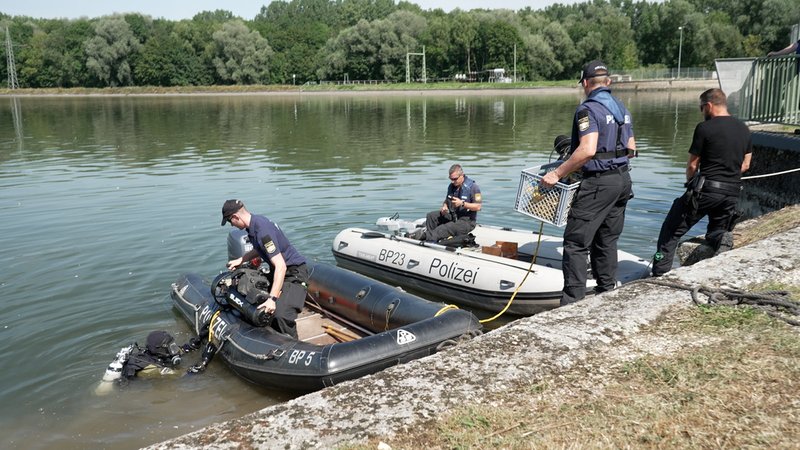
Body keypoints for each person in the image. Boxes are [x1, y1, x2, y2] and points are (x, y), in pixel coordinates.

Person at [541, 60, 636, 306]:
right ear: (609, 82)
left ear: (585, 83)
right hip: (623, 181)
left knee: (575, 243)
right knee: (607, 240)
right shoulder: (621, 108)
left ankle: (571, 305)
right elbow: (632, 149)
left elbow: (587, 150)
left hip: (599, 185)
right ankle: (607, 295)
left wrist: (557, 174)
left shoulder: (588, 109)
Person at [652, 89, 752, 277]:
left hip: (705, 191)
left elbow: (692, 165)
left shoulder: (705, 128)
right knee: (716, 231)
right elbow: (745, 165)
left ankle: (659, 273)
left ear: (709, 106)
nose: (701, 112)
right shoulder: (743, 128)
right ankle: (722, 238)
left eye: (701, 108)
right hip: (731, 192)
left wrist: (691, 183)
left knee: (670, 231)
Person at [221, 199, 308, 339]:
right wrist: (241, 259)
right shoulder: (254, 225)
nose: (232, 225)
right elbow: (259, 248)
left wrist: (272, 299)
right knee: (252, 296)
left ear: (236, 217)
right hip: (279, 272)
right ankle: (271, 337)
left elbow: (281, 266)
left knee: (281, 315)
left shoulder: (262, 230)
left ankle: (294, 346)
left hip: (294, 274)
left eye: (230, 221)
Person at [416, 164, 482, 242]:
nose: (452, 181)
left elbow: (478, 207)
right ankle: (431, 238)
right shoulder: (451, 186)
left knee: (446, 227)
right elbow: (447, 200)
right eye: (451, 179)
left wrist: (462, 204)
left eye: (455, 179)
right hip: (453, 216)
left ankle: (426, 236)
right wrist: (444, 207)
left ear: (462, 176)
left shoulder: (473, 187)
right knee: (431, 216)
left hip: (466, 222)